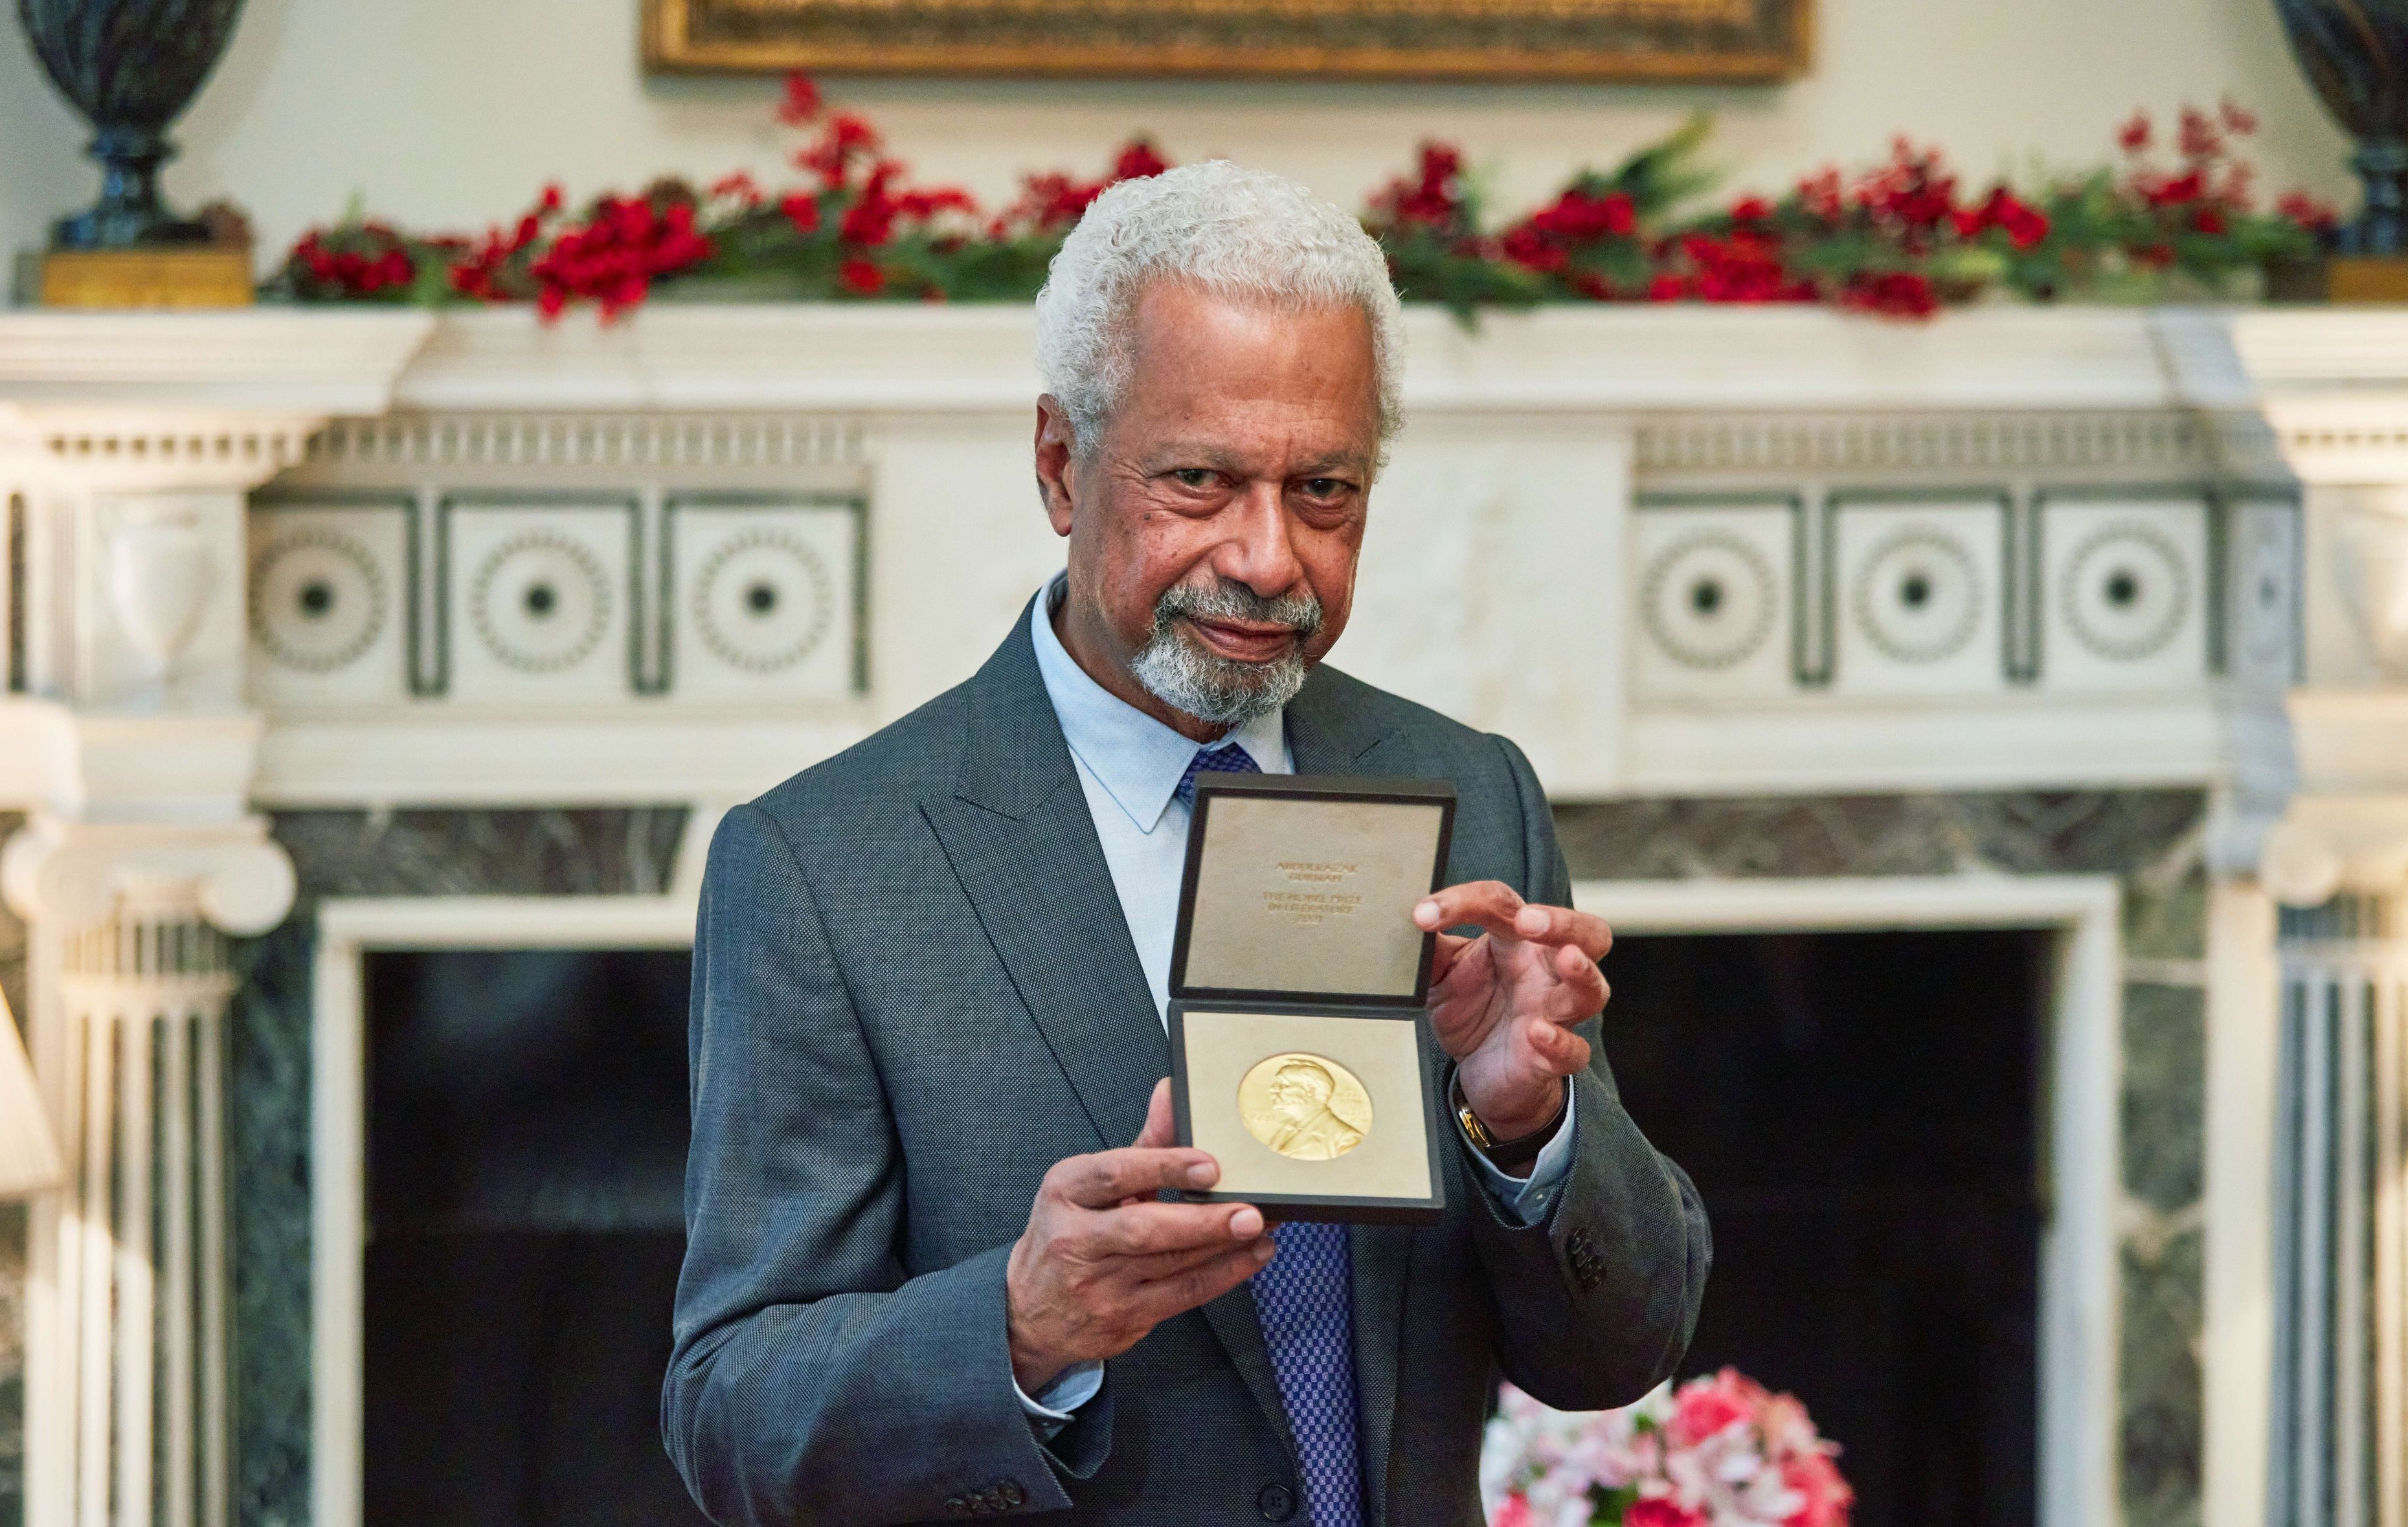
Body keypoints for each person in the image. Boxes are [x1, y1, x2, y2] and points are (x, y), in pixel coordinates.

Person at [664, 159, 1711, 1527]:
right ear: (1060, 465)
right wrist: (1019, 1328)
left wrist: (1529, 1126)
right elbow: (731, 1417)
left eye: (1323, 489)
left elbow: (1617, 1353)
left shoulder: (1469, 792)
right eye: (1201, 481)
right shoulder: (824, 867)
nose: (1268, 559)